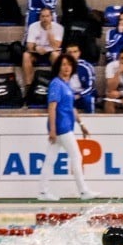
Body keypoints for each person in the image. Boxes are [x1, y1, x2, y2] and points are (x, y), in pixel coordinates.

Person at [37, 53, 98, 202]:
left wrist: (81, 124)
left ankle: (43, 192)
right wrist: (52, 129)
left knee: (50, 159)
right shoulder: (56, 84)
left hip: (65, 125)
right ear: (58, 67)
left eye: (69, 65)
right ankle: (83, 191)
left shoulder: (66, 85)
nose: (66, 68)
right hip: (61, 127)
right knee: (76, 156)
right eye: (63, 64)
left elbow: (71, 108)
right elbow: (52, 107)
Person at [22, 6, 64, 90]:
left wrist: (49, 32)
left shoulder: (59, 27)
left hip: (51, 52)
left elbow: (56, 46)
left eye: (47, 16)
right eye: (43, 16)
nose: (45, 19)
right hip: (37, 52)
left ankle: (57, 84)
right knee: (26, 55)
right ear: (40, 17)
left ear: (51, 17)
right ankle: (29, 87)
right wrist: (36, 48)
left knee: (56, 55)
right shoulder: (33, 26)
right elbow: (29, 45)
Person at [66, 41, 97, 114]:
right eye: (70, 52)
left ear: (79, 53)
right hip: (69, 94)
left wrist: (79, 95)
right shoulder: (62, 67)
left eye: (75, 52)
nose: (72, 54)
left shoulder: (86, 66)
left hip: (83, 94)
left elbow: (91, 87)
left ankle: (92, 118)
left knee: (88, 99)